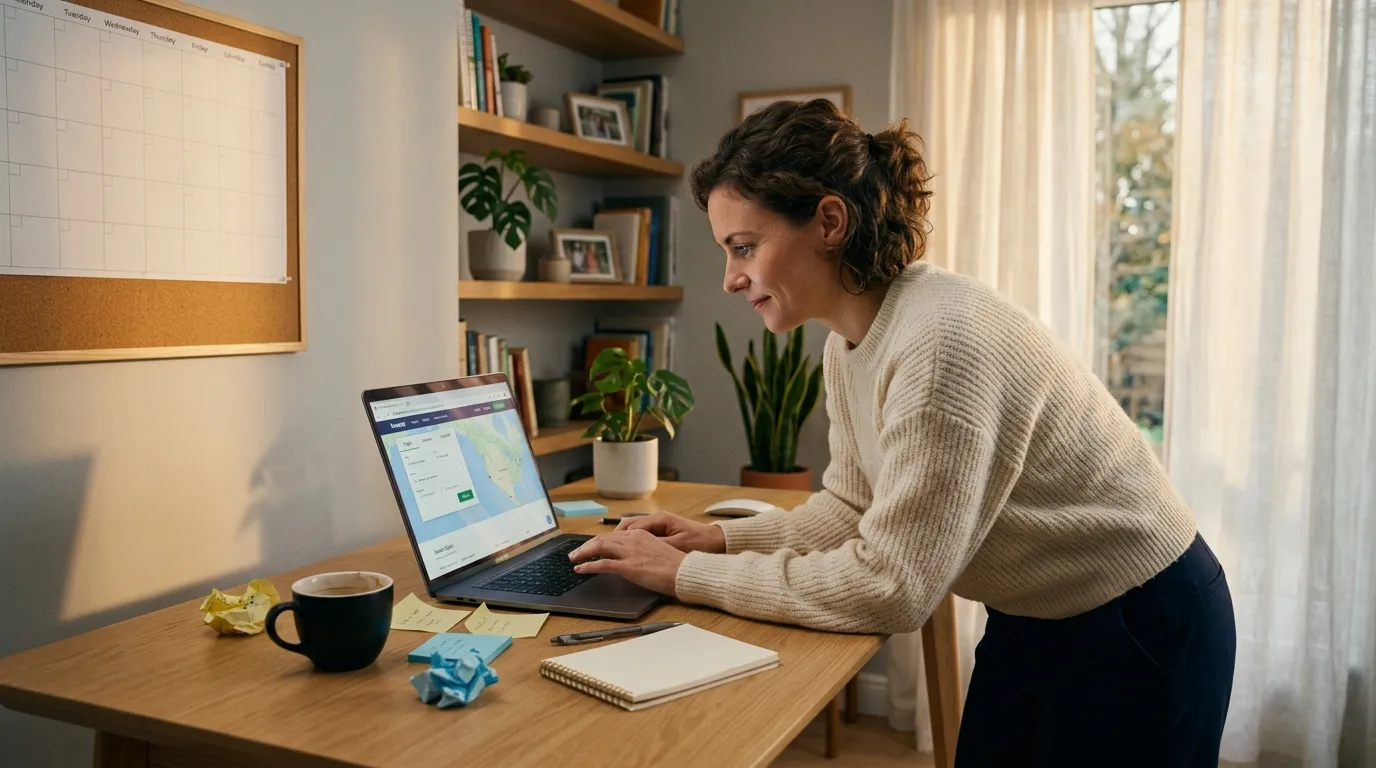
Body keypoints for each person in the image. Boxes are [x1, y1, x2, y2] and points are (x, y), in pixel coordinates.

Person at [567, 99, 1236, 766]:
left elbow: (892, 586)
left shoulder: (940, 343)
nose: (731, 277)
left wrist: (689, 574)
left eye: (744, 247)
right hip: (1036, 619)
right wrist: (716, 537)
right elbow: (852, 508)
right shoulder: (850, 342)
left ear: (829, 220)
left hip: (1141, 622)